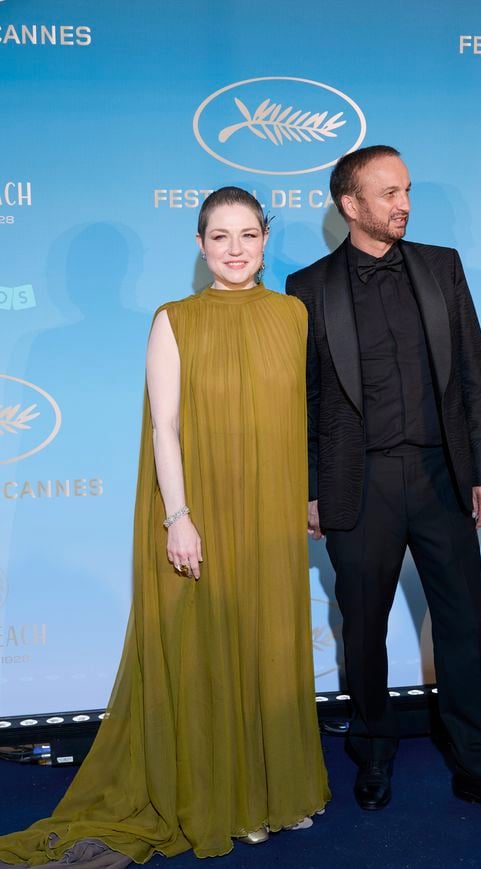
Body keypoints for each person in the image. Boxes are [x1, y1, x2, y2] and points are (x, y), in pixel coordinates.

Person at [0, 187, 330, 866]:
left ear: (265, 239)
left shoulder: (293, 314)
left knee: (269, 648)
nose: (235, 249)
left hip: (271, 510)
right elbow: (166, 427)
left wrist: (308, 496)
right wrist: (178, 517)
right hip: (201, 509)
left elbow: (304, 418)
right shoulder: (174, 319)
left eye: (247, 234)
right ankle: (225, 800)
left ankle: (277, 792)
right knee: (208, 649)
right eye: (219, 236)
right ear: (200, 244)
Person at [285, 146, 481, 829]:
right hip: (357, 483)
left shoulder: (440, 267)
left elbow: (474, 375)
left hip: (439, 475)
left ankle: (479, 769)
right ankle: (373, 751)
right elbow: (303, 402)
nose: (403, 202)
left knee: (461, 626)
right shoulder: (306, 286)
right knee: (362, 631)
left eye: (406, 190)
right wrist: (310, 486)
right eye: (388, 191)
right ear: (350, 205)